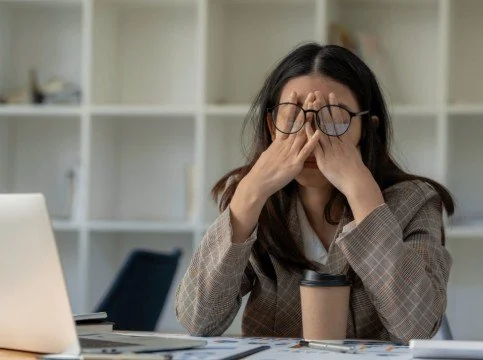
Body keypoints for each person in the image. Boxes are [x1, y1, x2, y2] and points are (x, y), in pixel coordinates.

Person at [175, 43, 454, 344]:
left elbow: (418, 327)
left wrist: (364, 196)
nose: (311, 134)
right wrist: (249, 194)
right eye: (293, 115)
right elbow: (197, 321)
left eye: (333, 117)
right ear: (271, 126)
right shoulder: (253, 200)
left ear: (367, 129)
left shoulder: (415, 202)